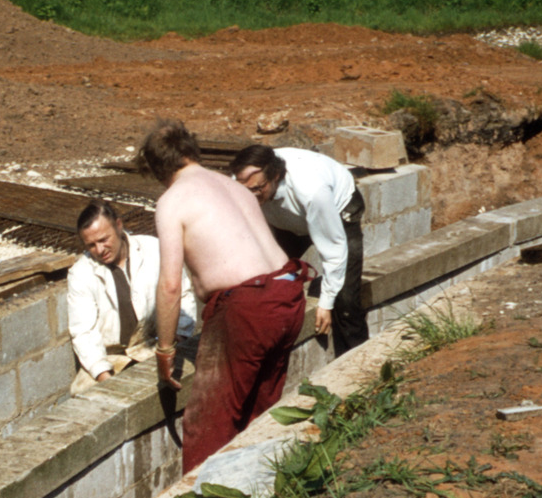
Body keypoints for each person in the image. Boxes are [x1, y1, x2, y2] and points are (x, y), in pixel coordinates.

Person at [142, 121, 311, 474]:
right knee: (259, 412)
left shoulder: (172, 200)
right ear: (192, 151)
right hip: (288, 293)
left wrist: (165, 349)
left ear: (159, 170)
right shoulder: (231, 186)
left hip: (248, 307)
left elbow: (170, 285)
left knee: (209, 424)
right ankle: (260, 496)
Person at [229, 145, 370, 355]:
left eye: (258, 189)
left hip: (337, 209)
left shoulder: (312, 190)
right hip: (287, 218)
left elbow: (333, 250)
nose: (250, 196)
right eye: (245, 190)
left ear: (276, 176)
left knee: (346, 300)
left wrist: (326, 303)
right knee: (266, 277)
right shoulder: (242, 181)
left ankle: (359, 368)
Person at [66, 199, 197, 394]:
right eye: (91, 245)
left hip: (155, 344)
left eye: (104, 240)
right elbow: (83, 332)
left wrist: (178, 336)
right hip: (111, 358)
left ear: (119, 226)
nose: (100, 250)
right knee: (88, 398)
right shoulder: (80, 274)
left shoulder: (153, 249)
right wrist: (105, 377)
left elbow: (182, 294)